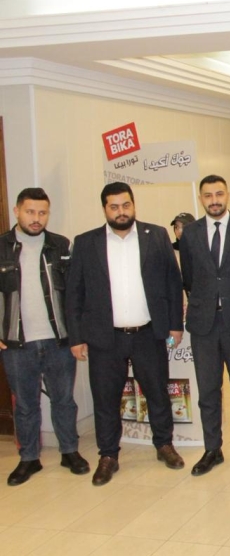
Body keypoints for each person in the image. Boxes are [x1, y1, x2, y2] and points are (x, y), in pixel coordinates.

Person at [66, 182, 185, 486]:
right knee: (105, 398)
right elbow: (74, 293)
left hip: (148, 334)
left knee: (157, 392)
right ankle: (108, 455)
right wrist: (76, 337)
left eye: (126, 205)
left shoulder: (156, 235)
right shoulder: (86, 242)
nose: (121, 211)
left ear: (133, 205)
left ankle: (164, 444)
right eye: (114, 206)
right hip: (105, 338)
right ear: (105, 209)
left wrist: (175, 325)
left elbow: (173, 283)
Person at [1, 188, 90, 486]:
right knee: (25, 404)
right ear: (17, 211)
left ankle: (69, 451)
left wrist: (78, 335)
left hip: (58, 341)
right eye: (30, 212)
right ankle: (29, 458)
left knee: (64, 400)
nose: (36, 218)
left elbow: (75, 294)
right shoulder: (1, 247)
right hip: (16, 343)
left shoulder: (60, 245)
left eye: (42, 213)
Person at [179, 175, 230, 476]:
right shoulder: (190, 233)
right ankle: (212, 448)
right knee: (208, 391)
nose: (214, 200)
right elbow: (189, 277)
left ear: (228, 195)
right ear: (201, 198)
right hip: (204, 325)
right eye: (208, 195)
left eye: (219, 194)